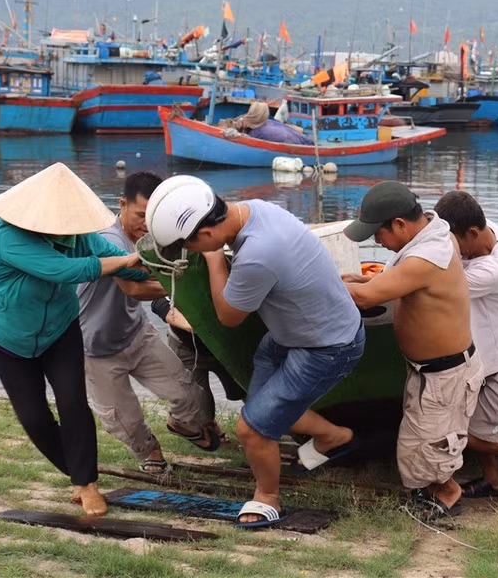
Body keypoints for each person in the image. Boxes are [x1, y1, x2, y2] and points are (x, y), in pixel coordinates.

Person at [145, 175, 365, 529]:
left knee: (252, 429)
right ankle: (335, 437)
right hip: (289, 334)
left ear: (204, 235)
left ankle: (268, 497)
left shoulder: (258, 254)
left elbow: (228, 316)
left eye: (191, 245)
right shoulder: (257, 210)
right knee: (261, 410)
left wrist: (215, 259)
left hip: (326, 346)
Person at [0, 162, 148, 516]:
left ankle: (86, 484)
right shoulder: (8, 237)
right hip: (8, 335)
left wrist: (150, 265)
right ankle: (77, 471)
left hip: (60, 328)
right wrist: (128, 260)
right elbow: (66, 270)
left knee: (73, 402)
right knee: (34, 416)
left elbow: (111, 256)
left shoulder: (76, 234)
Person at [343, 181, 484, 521]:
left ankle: (449, 494)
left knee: (430, 444)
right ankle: (434, 488)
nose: (377, 241)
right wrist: (360, 280)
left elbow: (366, 298)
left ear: (400, 225)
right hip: (430, 369)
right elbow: (395, 281)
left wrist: (325, 282)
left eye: (378, 234)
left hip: (446, 374)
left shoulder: (426, 257)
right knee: (418, 441)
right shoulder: (434, 233)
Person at [78, 172, 218, 475]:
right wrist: (189, 287)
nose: (146, 223)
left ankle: (182, 426)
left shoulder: (155, 234)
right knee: (122, 419)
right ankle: (149, 450)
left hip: (137, 334)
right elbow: (134, 288)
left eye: (152, 216)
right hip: (96, 347)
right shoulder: (107, 238)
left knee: (188, 395)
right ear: (122, 204)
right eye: (141, 214)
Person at [432, 191, 498, 498]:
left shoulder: (494, 269)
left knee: (476, 435)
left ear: (471, 233)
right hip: (482, 355)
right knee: (472, 419)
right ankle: (491, 479)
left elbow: (431, 285)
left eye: (457, 244)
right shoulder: (486, 227)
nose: (457, 252)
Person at [150, 294, 247, 432]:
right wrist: (193, 326)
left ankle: (262, 431)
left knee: (250, 393)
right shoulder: (175, 275)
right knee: (197, 409)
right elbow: (159, 302)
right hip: (187, 347)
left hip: (228, 348)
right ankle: (204, 428)